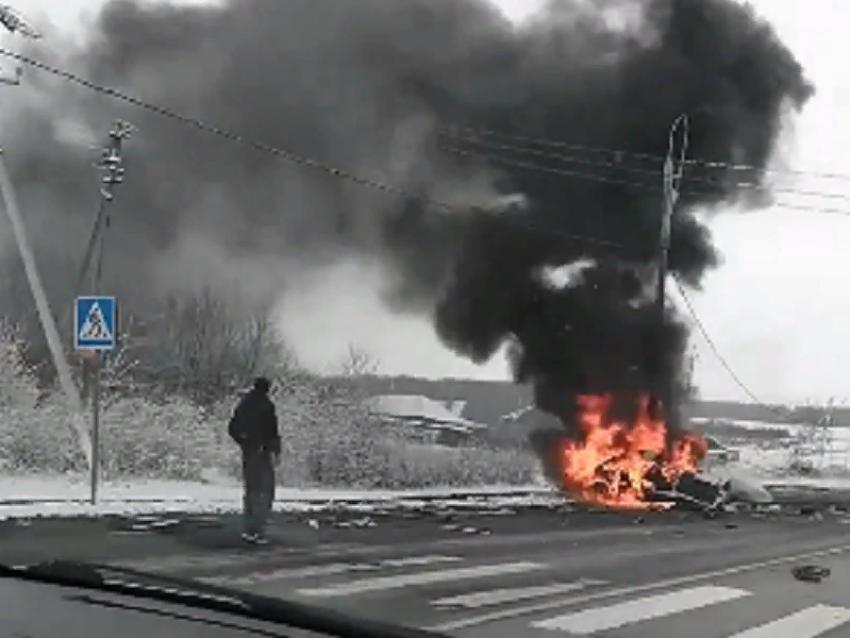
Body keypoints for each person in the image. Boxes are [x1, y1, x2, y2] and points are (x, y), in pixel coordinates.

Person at [228, 376, 281, 544]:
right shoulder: (266, 406)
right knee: (265, 490)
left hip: (250, 452)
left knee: (251, 490)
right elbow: (272, 432)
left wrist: (244, 442)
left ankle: (250, 527)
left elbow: (232, 427)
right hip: (262, 453)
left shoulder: (244, 404)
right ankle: (257, 528)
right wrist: (275, 451)